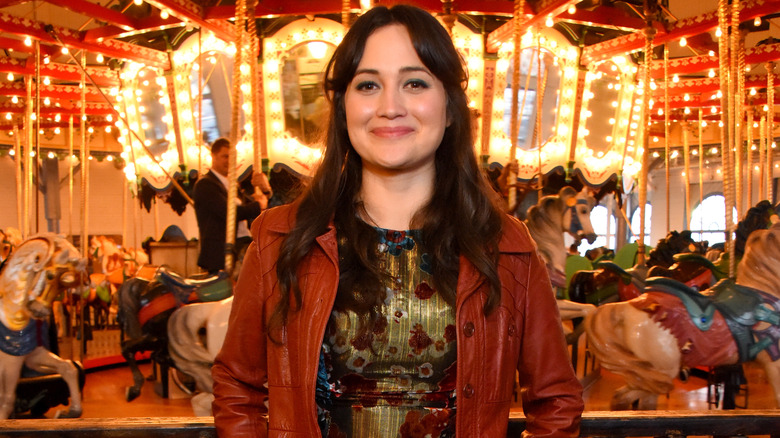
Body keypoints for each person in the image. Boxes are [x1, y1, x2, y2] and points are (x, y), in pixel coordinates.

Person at [212, 5, 583, 437]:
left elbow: (555, 400)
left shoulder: (506, 247)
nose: (390, 106)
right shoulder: (280, 238)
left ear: (449, 108)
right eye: (368, 84)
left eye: (415, 82)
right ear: (343, 108)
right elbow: (237, 386)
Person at [192, 138, 272, 274]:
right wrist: (258, 205)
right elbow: (229, 212)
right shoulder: (206, 185)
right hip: (220, 253)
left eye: (232, 157)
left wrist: (265, 191)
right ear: (213, 157)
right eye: (225, 156)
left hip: (240, 244)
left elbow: (251, 203)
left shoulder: (231, 184)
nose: (229, 161)